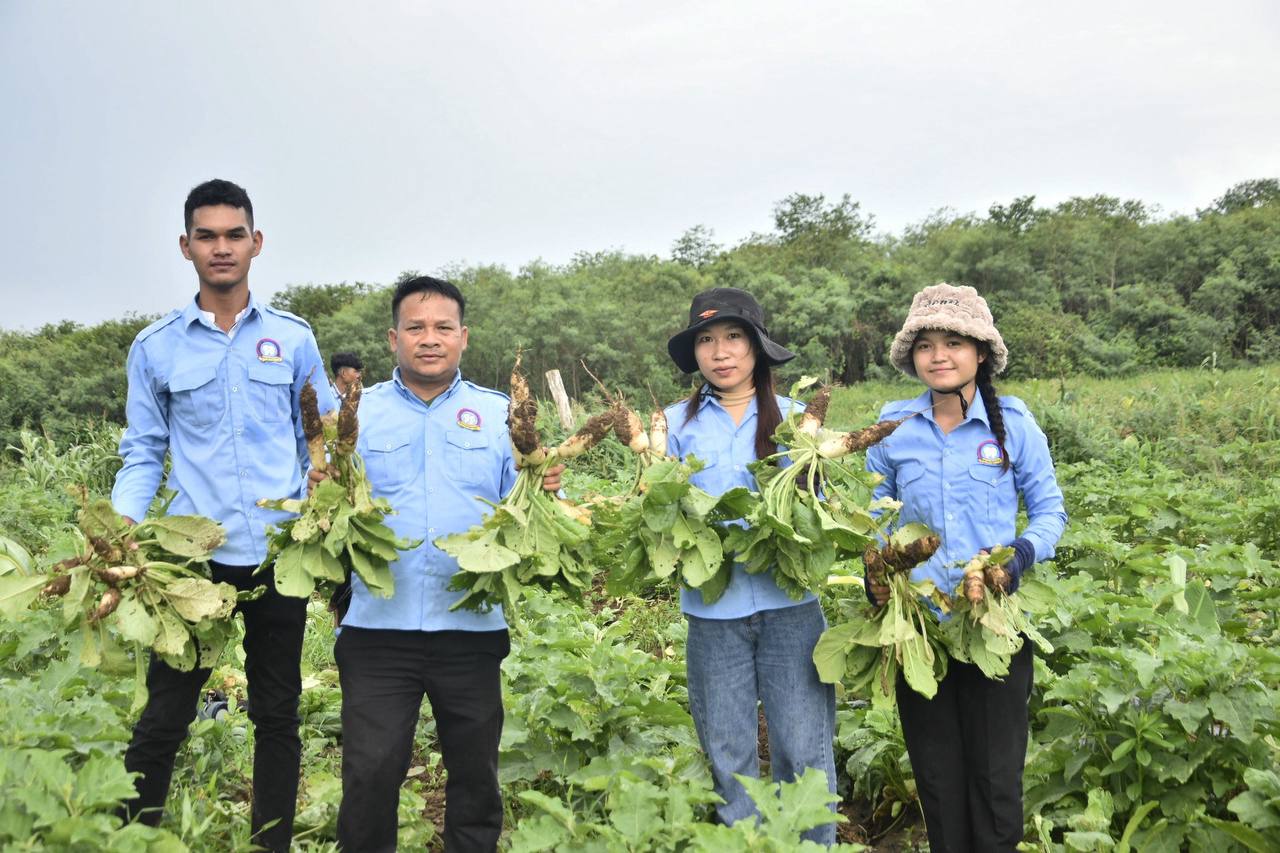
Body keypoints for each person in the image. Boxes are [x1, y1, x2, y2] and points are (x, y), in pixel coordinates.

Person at [111, 179, 336, 851]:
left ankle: (270, 843)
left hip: (277, 557)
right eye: (206, 235)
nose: (221, 247)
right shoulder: (155, 348)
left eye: (234, 234)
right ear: (186, 247)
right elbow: (144, 450)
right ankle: (131, 837)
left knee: (278, 712)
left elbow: (320, 437)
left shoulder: (293, 339)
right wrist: (120, 527)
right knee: (166, 713)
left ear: (255, 243)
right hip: (191, 563)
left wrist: (326, 495)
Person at [332, 275, 560, 853]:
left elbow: (528, 512)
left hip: (472, 624)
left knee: (476, 775)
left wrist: (544, 485)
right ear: (393, 338)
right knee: (369, 773)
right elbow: (326, 504)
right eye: (415, 327)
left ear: (463, 336)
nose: (428, 339)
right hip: (378, 625)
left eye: (442, 328)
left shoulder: (500, 414)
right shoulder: (355, 417)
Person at [864, 282, 1067, 853]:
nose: (939, 355)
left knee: (996, 777)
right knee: (937, 777)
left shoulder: (1014, 426)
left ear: (981, 353)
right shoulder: (893, 428)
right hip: (920, 629)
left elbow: (1050, 510)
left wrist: (1019, 559)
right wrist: (876, 570)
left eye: (954, 342)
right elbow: (873, 515)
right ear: (913, 357)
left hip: (992, 622)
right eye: (926, 344)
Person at [663, 287, 837, 845]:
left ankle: (809, 843)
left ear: (757, 347)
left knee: (802, 743)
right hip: (713, 609)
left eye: (733, 337)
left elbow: (824, 513)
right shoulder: (672, 425)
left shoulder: (795, 423)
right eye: (707, 341)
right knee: (727, 746)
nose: (721, 352)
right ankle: (742, 842)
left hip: (791, 606)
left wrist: (811, 494)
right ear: (696, 355)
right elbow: (656, 509)